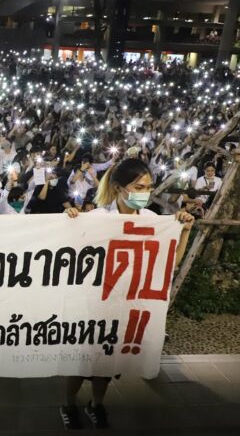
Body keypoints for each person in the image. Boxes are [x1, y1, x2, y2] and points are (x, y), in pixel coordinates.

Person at [61, 159, 194, 430]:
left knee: (109, 364)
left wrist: (185, 232)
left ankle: (96, 405)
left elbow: (170, 263)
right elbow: (68, 254)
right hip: (94, 306)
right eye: (138, 186)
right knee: (84, 363)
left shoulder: (153, 222)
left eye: (148, 187)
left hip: (126, 307)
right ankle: (68, 403)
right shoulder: (98, 219)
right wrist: (70, 221)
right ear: (120, 188)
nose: (144, 192)